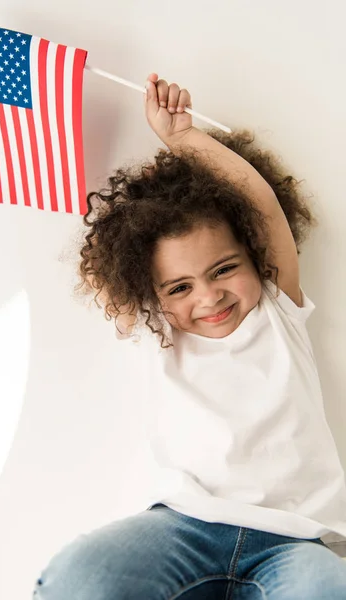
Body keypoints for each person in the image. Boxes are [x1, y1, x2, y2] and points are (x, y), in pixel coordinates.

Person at [33, 73, 346, 599]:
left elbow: (262, 205)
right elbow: (106, 269)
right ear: (151, 293)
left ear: (255, 258)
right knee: (79, 577)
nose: (209, 297)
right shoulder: (156, 333)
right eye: (180, 286)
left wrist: (183, 139)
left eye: (224, 269)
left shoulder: (277, 309)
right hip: (184, 528)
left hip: (295, 541)